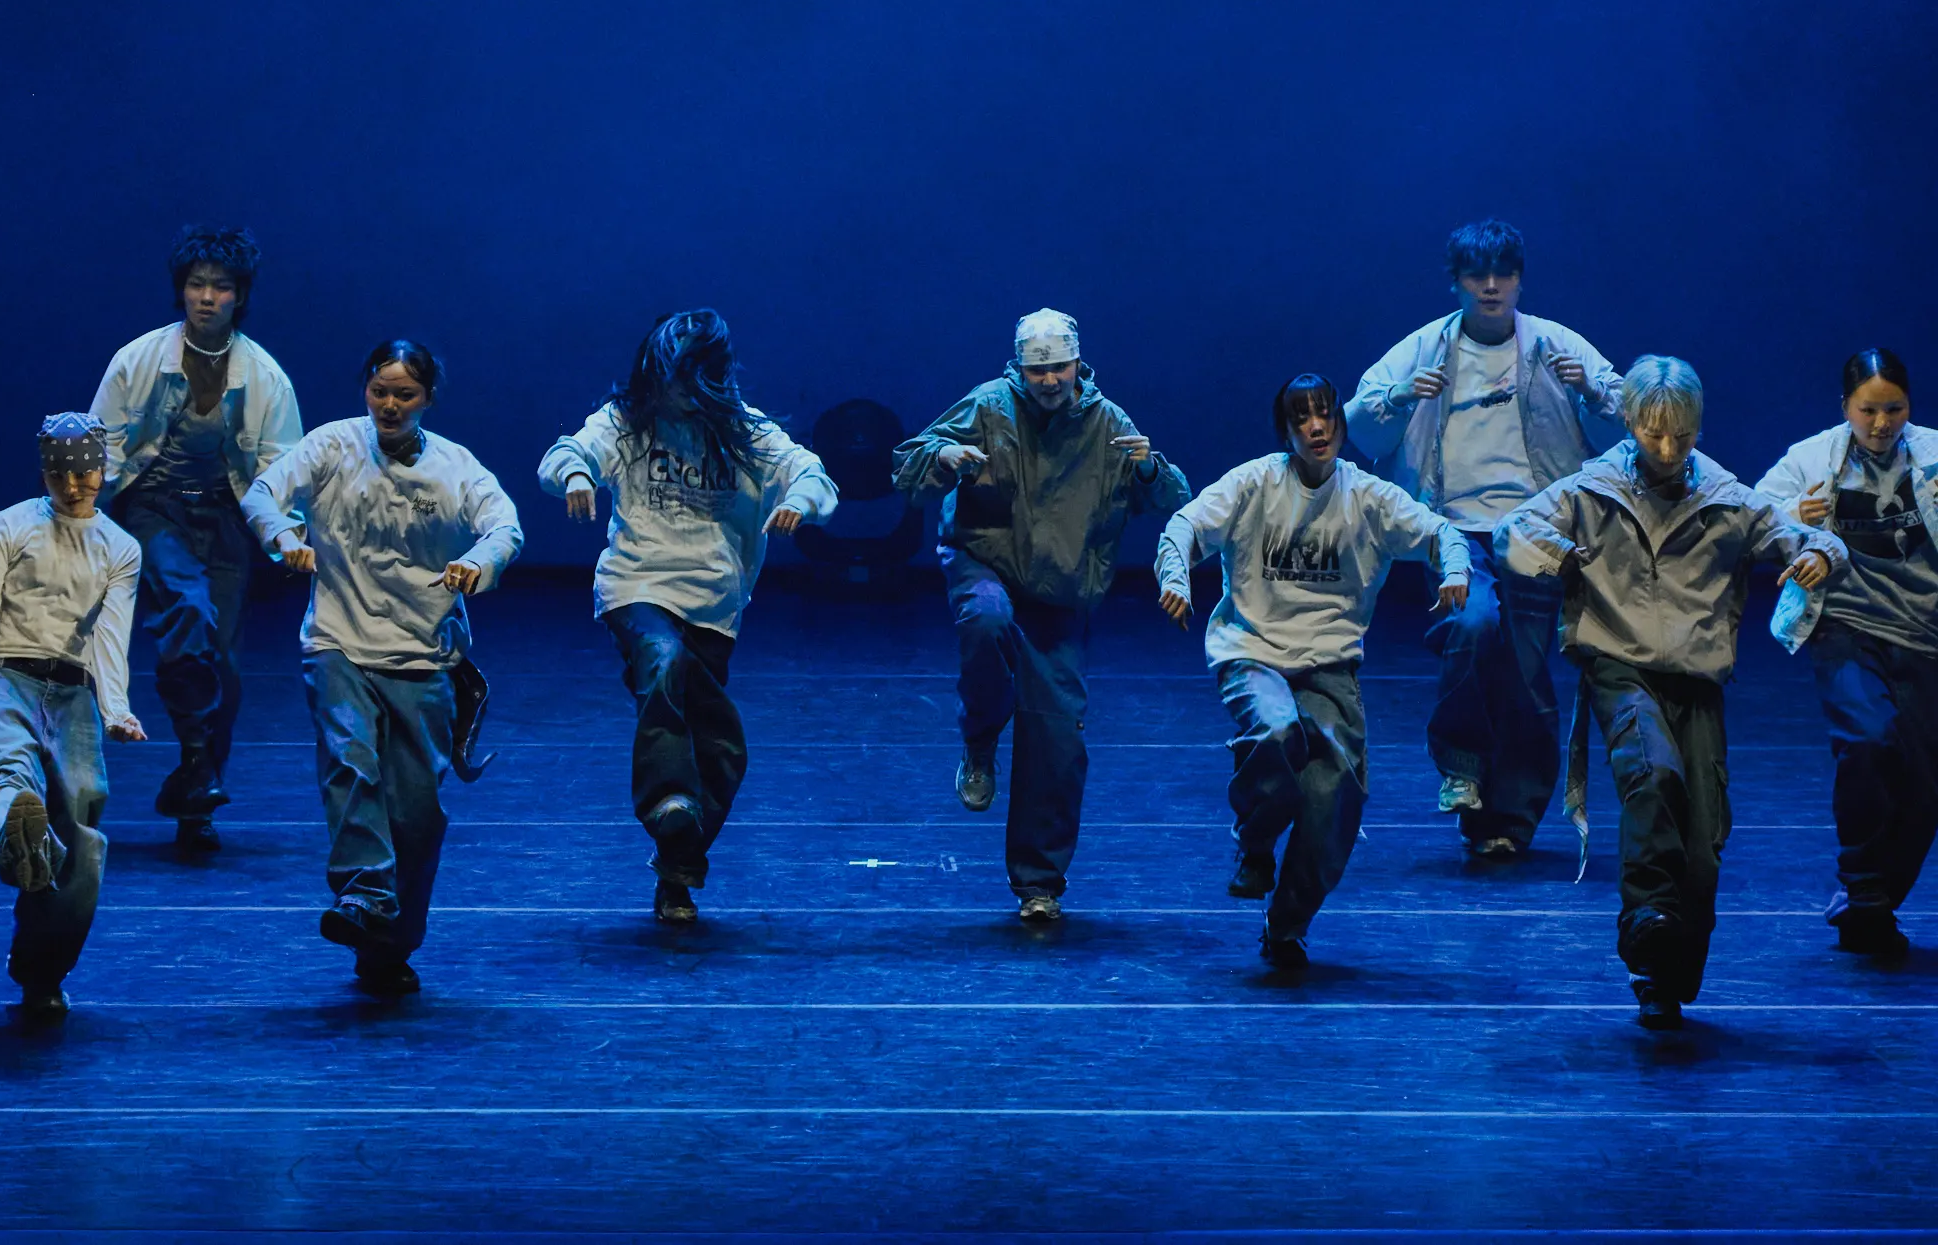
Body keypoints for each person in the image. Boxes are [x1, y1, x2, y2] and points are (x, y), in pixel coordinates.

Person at [1495, 356, 1844, 1030]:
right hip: (1619, 666)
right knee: (1652, 775)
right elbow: (1514, 532)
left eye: (1681, 435)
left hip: (1697, 678)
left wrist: (1818, 554)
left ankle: (1670, 976)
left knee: (1703, 835)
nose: (1666, 449)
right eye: (1652, 433)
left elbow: (1807, 537)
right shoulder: (1593, 490)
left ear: (1698, 429)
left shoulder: (1726, 497)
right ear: (1629, 423)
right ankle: (1646, 918)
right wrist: (1560, 557)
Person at [1157, 375, 1469, 968]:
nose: (1316, 427)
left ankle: (1287, 926)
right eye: (1301, 418)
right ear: (1286, 432)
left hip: (1329, 664)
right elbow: (1185, 527)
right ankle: (1254, 846)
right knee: (1278, 731)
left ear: (1341, 423)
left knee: (1333, 797)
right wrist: (1175, 576)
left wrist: (1454, 568)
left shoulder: (1367, 497)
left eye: (1324, 414)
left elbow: (1440, 532)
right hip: (1252, 650)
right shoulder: (1255, 483)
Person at [538, 310, 837, 923]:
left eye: (689, 378)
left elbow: (809, 472)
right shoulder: (627, 421)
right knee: (662, 658)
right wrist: (575, 474)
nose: (676, 391)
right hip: (637, 585)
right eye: (668, 376)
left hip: (714, 604)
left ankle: (677, 867)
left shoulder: (743, 429)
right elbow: (569, 451)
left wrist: (801, 500)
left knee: (723, 751)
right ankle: (667, 799)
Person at [242, 341, 521, 995]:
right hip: (338, 640)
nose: (390, 405)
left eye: (405, 394)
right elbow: (262, 494)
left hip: (422, 652)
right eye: (379, 391)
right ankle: (365, 891)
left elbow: (504, 526)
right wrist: (284, 535)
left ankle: (390, 943)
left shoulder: (455, 467)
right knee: (350, 760)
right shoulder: (332, 446)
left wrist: (478, 561)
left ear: (427, 399)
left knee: (415, 813)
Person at [894, 308, 1190, 920]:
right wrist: (945, 457)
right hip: (988, 563)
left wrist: (1147, 467)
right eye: (1037, 370)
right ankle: (980, 742)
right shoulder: (990, 405)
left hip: (1060, 587)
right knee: (986, 620)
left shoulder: (1108, 422)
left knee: (1056, 739)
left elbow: (1172, 496)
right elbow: (909, 460)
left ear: (1078, 364)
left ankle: (1039, 885)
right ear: (1019, 369)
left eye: (1059, 368)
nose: (1050, 380)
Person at [1348, 220, 1623, 859]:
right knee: (1473, 625)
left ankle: (1508, 821)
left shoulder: (1554, 345)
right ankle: (1461, 764)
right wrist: (1399, 396)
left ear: (1520, 280)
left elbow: (1622, 428)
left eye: (1504, 274)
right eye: (1477, 275)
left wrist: (1589, 392)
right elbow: (1363, 427)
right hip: (1452, 526)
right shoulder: (1425, 348)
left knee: (1524, 670)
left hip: (1535, 527)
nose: (1491, 286)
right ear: (1457, 283)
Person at [89, 225, 303, 853]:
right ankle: (194, 757)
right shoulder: (138, 361)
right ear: (181, 290)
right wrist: (78, 524)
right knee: (188, 607)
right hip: (153, 509)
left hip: (226, 518)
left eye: (221, 287)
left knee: (226, 665)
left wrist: (286, 541)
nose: (207, 297)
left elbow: (281, 473)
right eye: (196, 285)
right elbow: (101, 450)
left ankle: (199, 791)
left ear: (241, 296)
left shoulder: (264, 376)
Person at [0, 414, 145, 1020]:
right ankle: (14, 836)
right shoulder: (10, 525)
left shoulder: (120, 548)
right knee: (11, 773)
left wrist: (116, 709)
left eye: (83, 473)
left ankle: (42, 970)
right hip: (3, 675)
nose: (73, 485)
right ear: (44, 473)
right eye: (60, 474)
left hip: (72, 692)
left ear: (103, 470)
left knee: (79, 832)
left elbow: (111, 636)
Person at [1756, 348, 1938, 959]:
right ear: (1845, 408)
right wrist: (1791, 517)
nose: (1882, 423)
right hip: (1847, 626)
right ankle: (1862, 889)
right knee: (1867, 739)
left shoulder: (1934, 456)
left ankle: (1874, 900)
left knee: (1925, 789)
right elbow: (1748, 518)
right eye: (1868, 410)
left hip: (1925, 633)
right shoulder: (1813, 458)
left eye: (1895, 409)